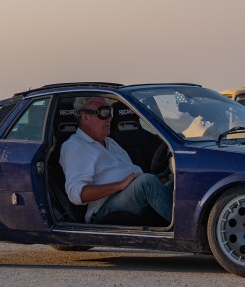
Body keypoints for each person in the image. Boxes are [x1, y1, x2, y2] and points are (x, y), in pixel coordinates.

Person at [60, 96, 172, 225]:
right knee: (147, 182)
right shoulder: (74, 146)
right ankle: (186, 230)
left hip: (131, 195)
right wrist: (120, 185)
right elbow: (77, 194)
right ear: (85, 116)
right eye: (103, 112)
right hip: (104, 209)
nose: (110, 118)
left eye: (110, 112)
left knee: (178, 184)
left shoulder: (110, 142)